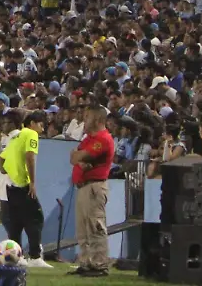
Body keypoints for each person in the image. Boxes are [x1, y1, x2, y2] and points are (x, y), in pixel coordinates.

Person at [0, 110, 52, 268]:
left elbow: (1, 161)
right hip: (23, 185)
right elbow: (30, 156)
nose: (42, 129)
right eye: (41, 124)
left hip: (11, 186)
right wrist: (32, 182)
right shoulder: (30, 134)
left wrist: (12, 172)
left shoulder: (15, 137)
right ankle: (35, 257)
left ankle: (16, 257)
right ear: (32, 124)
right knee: (35, 220)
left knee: (16, 223)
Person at [69, 105, 115, 277]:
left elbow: (80, 156)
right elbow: (73, 157)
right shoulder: (88, 139)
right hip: (83, 187)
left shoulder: (102, 139)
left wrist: (78, 157)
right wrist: (78, 158)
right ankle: (86, 263)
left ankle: (100, 265)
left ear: (98, 120)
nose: (83, 120)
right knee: (83, 229)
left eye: (87, 117)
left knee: (95, 227)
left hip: (94, 187)